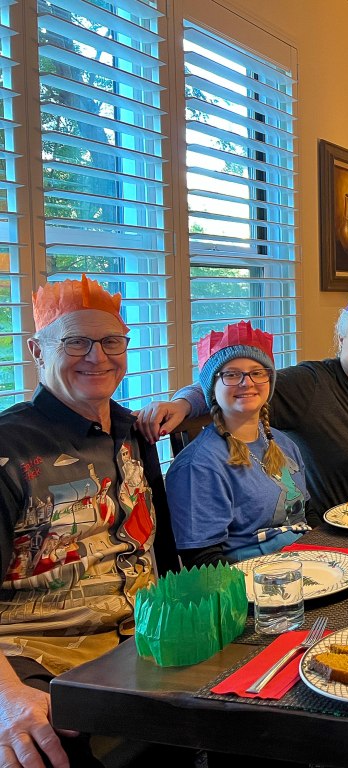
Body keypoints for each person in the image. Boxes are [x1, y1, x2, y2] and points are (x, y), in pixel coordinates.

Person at [0, 275, 177, 768]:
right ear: (37, 350)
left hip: (143, 645)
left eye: (110, 341)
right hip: (38, 659)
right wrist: (7, 698)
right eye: (75, 342)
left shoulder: (133, 432)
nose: (97, 356)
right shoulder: (8, 449)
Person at [138, 286, 348, 521]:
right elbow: (239, 380)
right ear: (341, 340)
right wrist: (184, 404)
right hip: (344, 532)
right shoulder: (310, 384)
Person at [166, 321, 311, 567]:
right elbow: (203, 561)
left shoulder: (283, 444)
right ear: (212, 389)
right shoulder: (198, 466)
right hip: (252, 577)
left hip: (307, 562)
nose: (247, 382)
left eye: (257, 372)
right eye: (231, 374)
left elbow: (308, 515)